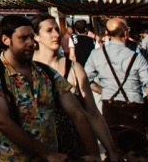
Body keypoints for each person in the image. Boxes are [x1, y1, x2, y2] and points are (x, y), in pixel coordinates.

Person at [0, 15, 98, 162]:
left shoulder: (46, 73)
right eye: (23, 38)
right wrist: (46, 154)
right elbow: (1, 120)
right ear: (5, 40)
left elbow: (78, 113)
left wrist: (93, 154)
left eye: (31, 37)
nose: (31, 43)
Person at [32, 15, 117, 161]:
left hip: (77, 148)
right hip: (44, 150)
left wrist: (111, 149)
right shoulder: (28, 68)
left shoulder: (74, 68)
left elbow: (93, 113)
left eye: (57, 30)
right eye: (49, 31)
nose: (56, 35)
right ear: (37, 37)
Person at [83, 18, 148, 144]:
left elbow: (86, 81)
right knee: (137, 149)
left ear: (106, 33)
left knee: (114, 147)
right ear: (126, 33)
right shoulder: (137, 57)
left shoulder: (95, 54)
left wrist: (104, 91)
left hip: (109, 106)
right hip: (134, 106)